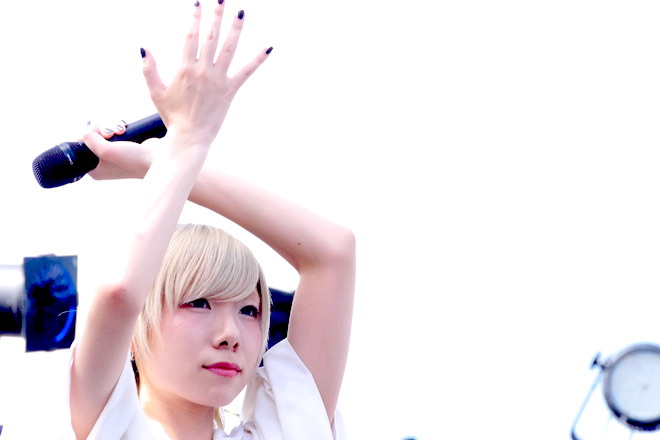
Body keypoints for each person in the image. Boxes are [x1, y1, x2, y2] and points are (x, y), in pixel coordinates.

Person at [68, 2, 356, 439]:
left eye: (249, 310)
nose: (230, 334)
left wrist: (157, 162)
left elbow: (333, 252)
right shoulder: (103, 424)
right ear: (134, 330)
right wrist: (187, 140)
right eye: (198, 303)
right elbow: (119, 294)